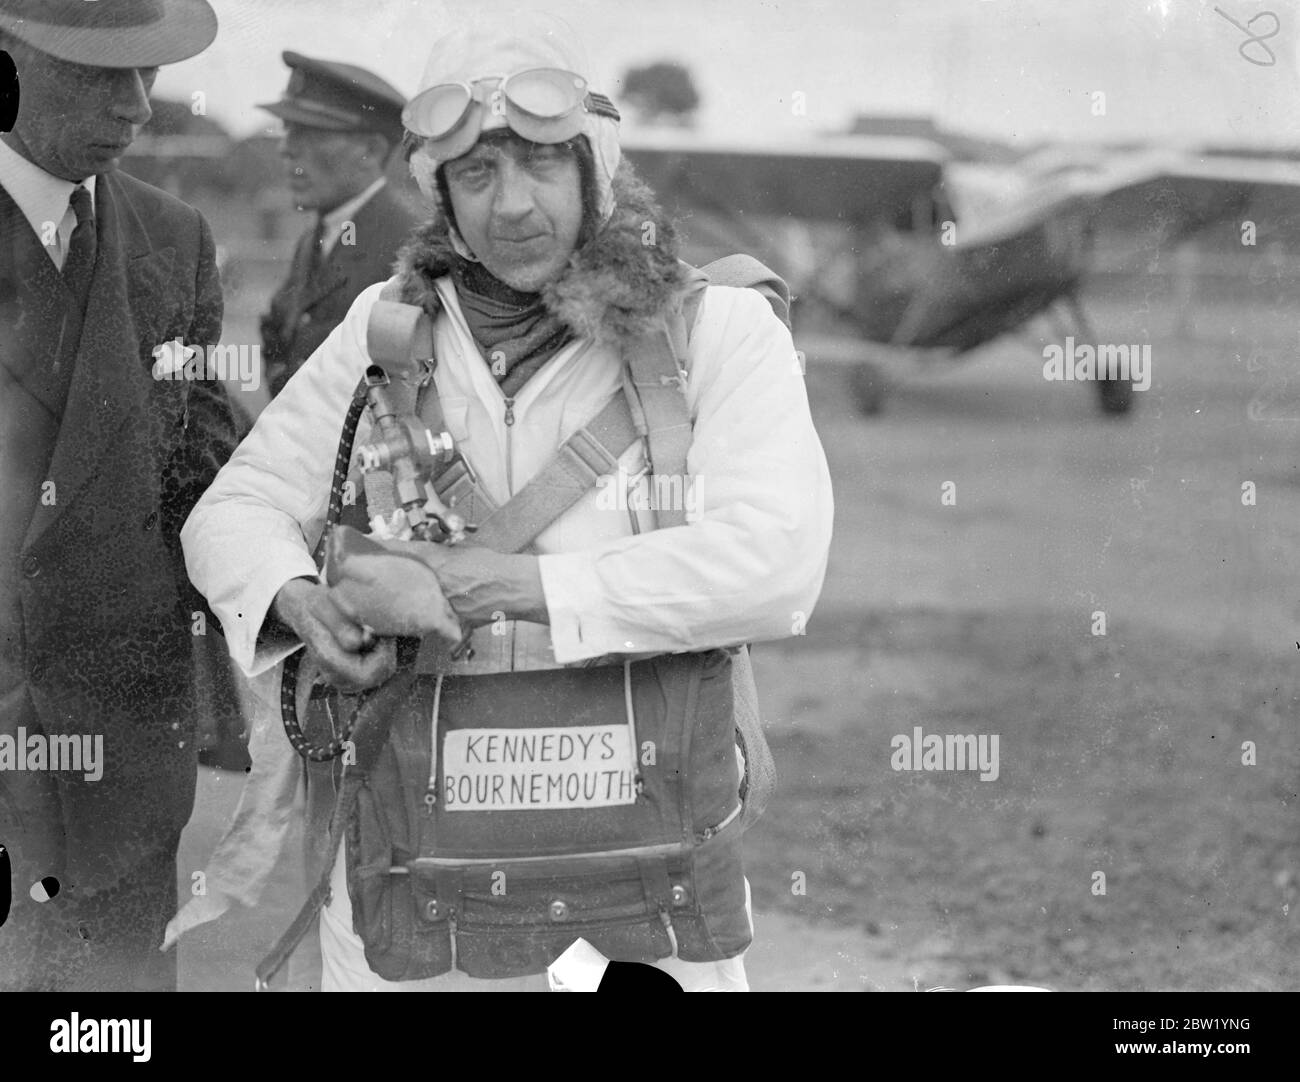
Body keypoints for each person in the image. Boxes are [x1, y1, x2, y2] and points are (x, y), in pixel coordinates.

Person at [181, 13, 833, 991]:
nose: (512, 205)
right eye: (477, 175)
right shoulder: (385, 330)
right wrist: (300, 597)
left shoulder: (719, 333)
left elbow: (775, 561)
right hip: (417, 860)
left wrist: (518, 585)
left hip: (635, 861)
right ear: (438, 193)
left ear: (592, 168)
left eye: (538, 164)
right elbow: (231, 512)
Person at [0, 0, 237, 991]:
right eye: (99, 72)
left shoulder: (173, 239)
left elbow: (207, 478)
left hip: (123, 769)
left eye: (147, 73)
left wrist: (303, 585)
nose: (138, 104)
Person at [258, 52, 422, 399]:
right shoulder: (314, 239)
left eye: (308, 134)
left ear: (372, 151)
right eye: (288, 130)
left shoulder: (409, 249)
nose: (286, 149)